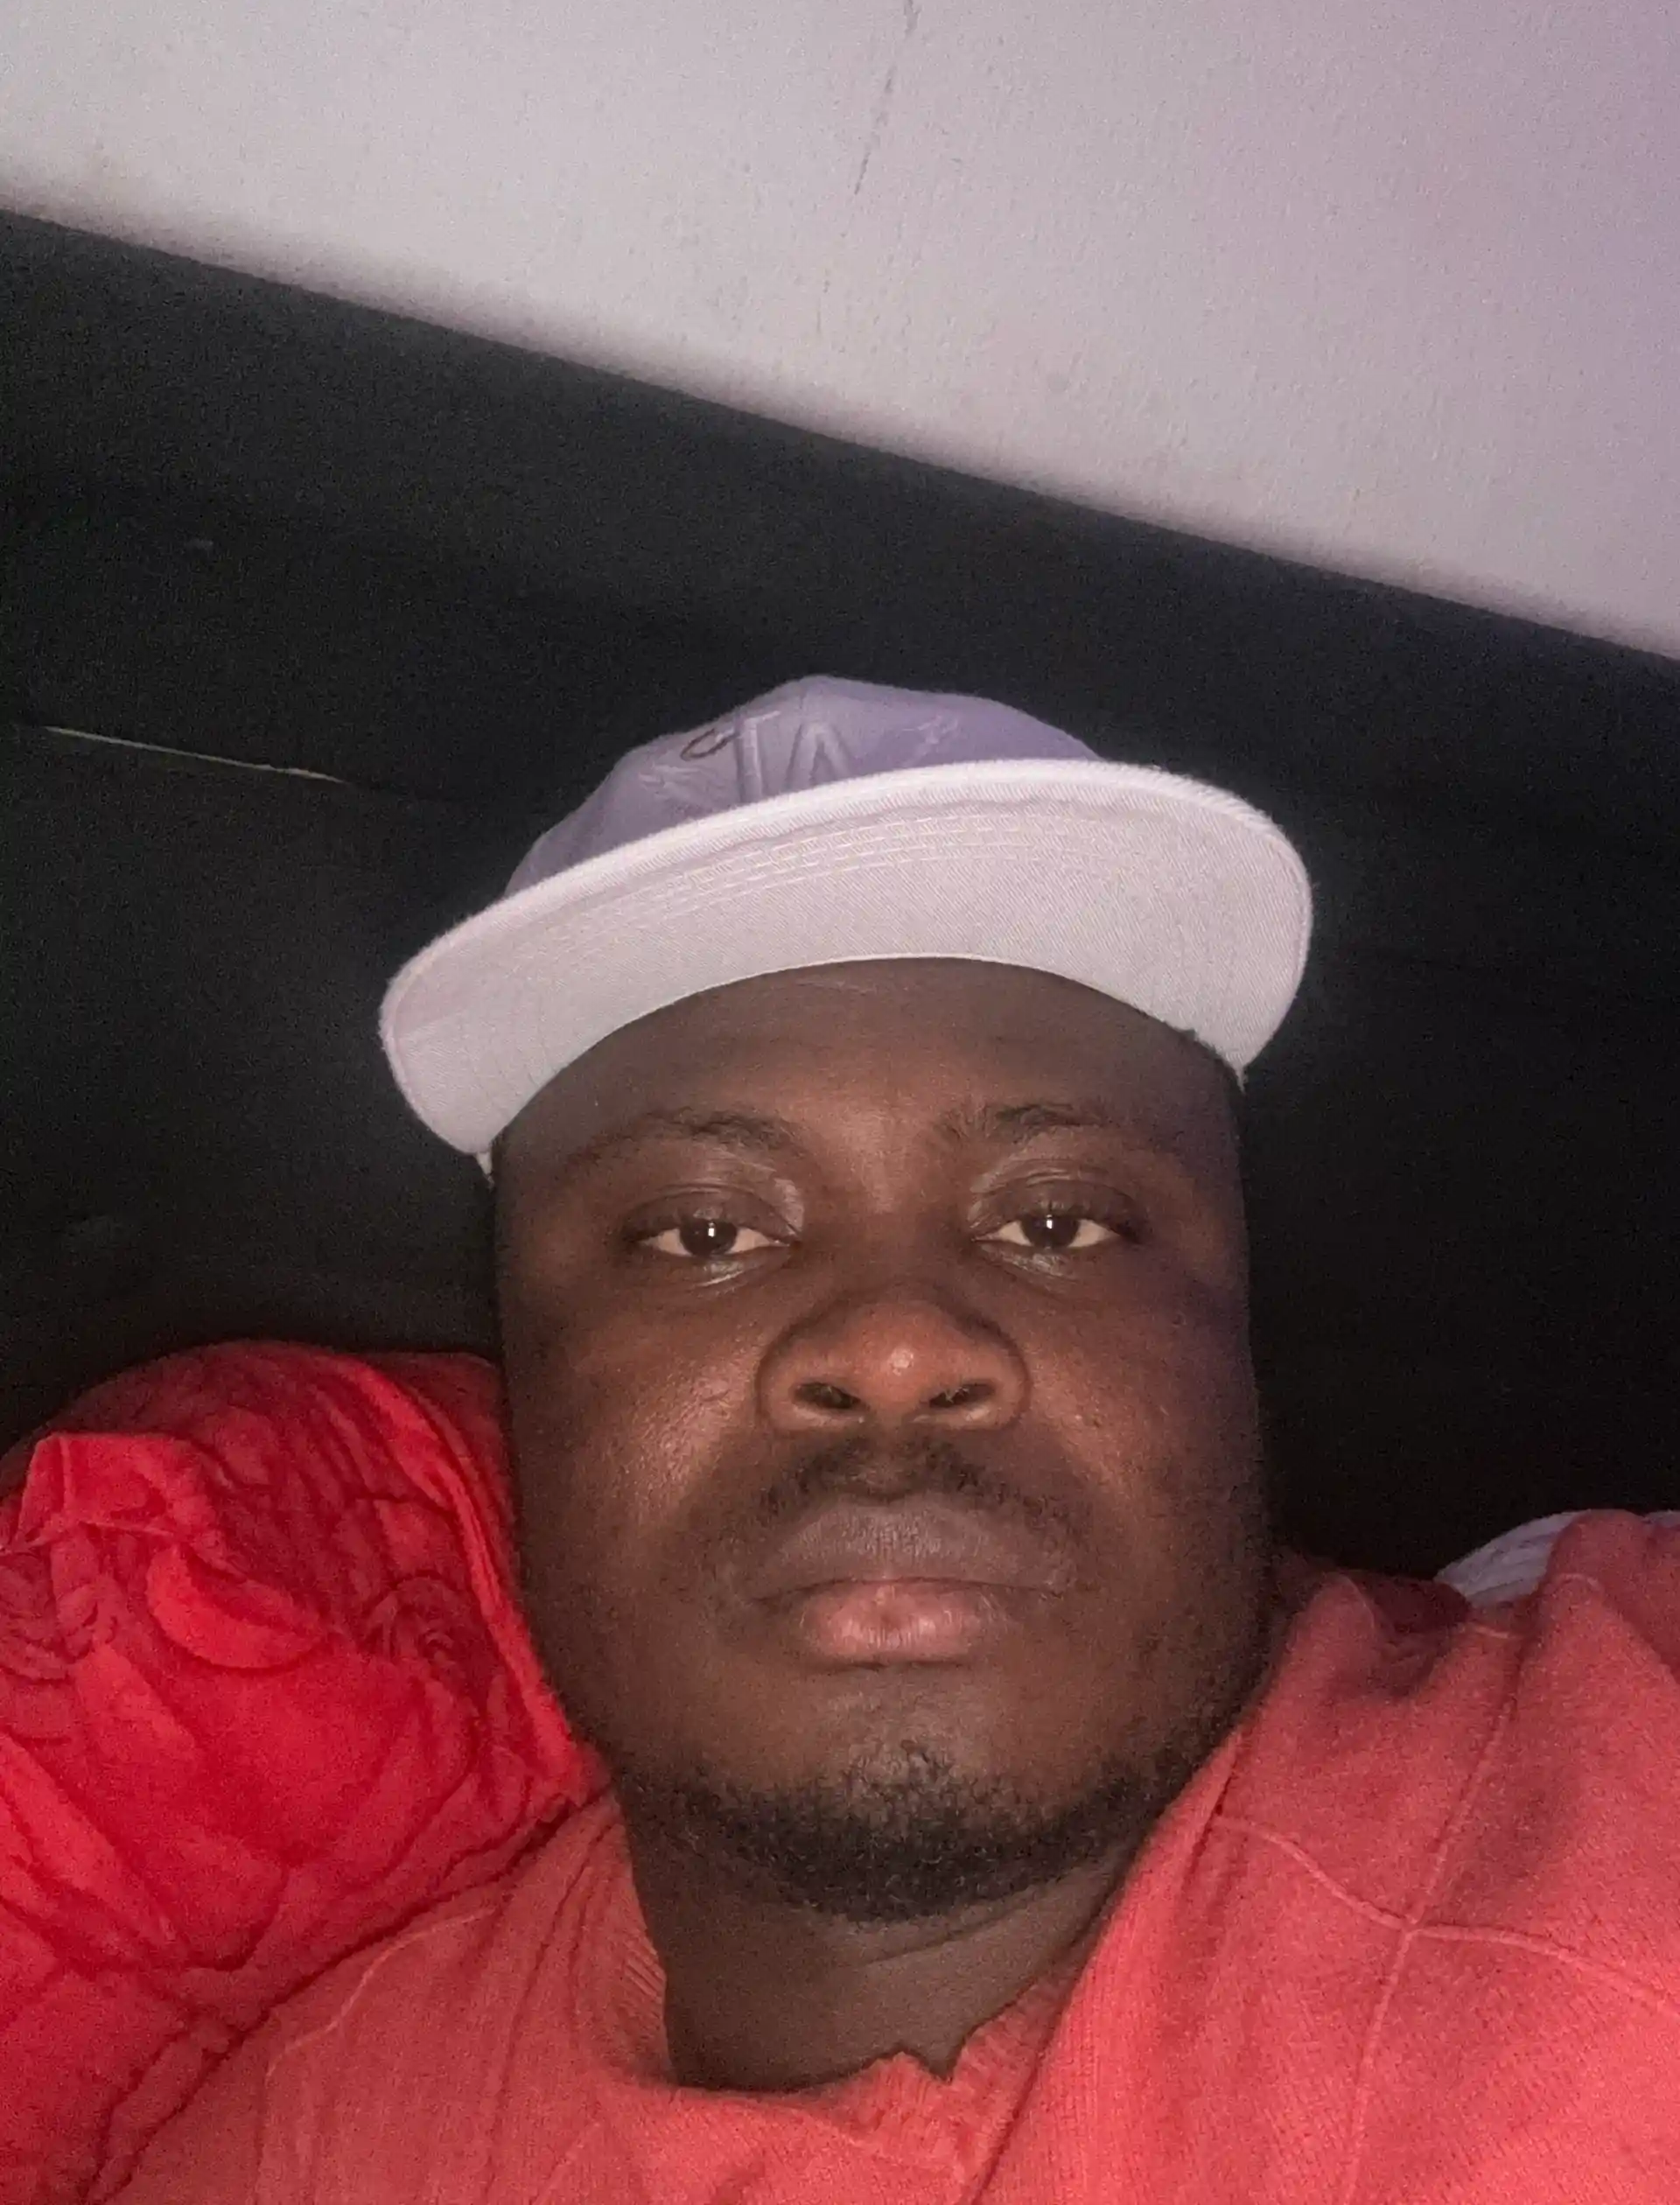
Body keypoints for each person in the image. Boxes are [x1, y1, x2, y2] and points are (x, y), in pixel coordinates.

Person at [113, 679, 1679, 2202]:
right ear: (526, 1378)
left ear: (1235, 1338)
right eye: (704, 1233)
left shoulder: (1621, 1778)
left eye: (1058, 1222)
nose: (896, 1347)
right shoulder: (311, 2151)